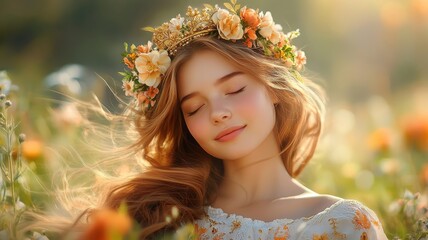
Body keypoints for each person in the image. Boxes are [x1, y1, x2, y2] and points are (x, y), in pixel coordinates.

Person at [26, 1, 388, 239]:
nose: (218, 113)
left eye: (233, 90)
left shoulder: (343, 223)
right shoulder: (162, 219)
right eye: (194, 108)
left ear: (274, 87)